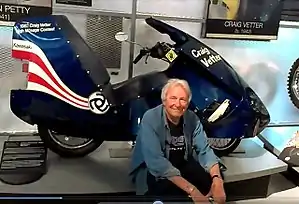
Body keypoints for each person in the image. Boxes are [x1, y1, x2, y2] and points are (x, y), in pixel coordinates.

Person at [129, 78, 226, 204]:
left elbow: (204, 150)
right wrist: (193, 190)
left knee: (216, 179)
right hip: (153, 170)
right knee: (164, 191)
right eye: (173, 98)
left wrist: (217, 180)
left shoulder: (192, 118)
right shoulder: (150, 118)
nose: (178, 104)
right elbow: (156, 163)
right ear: (164, 100)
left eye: (182, 99)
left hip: (181, 164)